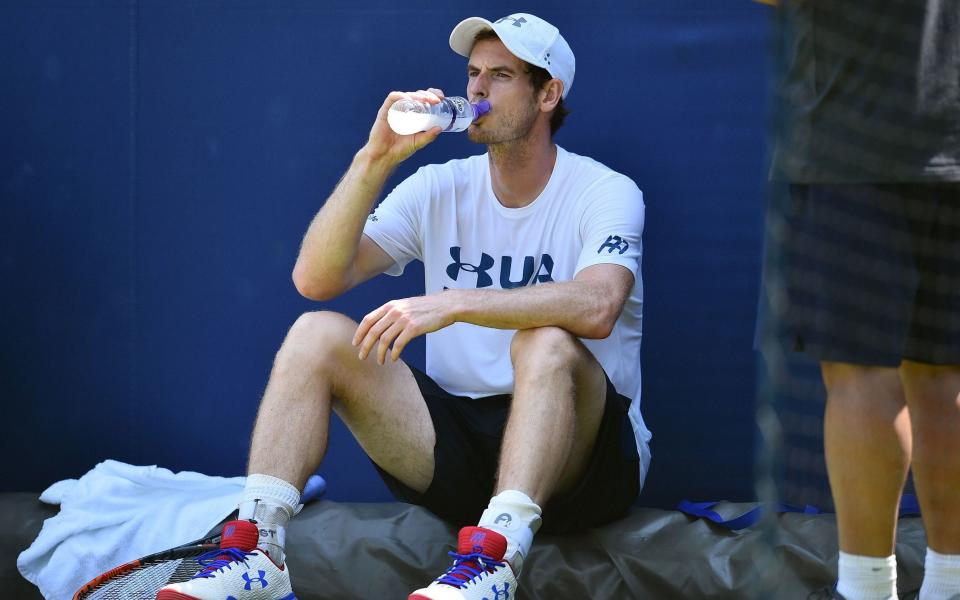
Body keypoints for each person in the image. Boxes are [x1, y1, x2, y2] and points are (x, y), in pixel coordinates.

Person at [157, 12, 650, 600]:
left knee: (544, 340)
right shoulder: (438, 185)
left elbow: (598, 304)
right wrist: (375, 159)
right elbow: (316, 278)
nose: (477, 90)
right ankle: (257, 551)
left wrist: (455, 304)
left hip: (582, 462)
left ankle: (497, 565)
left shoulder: (604, 190)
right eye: (472, 73)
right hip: (460, 454)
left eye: (500, 75)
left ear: (548, 94)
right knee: (316, 333)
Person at [759, 2, 960, 599]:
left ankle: (867, 591)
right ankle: (949, 583)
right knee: (945, 378)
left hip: (851, 148)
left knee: (862, 377)